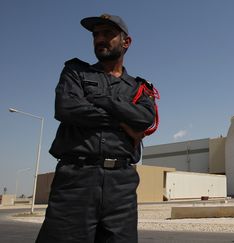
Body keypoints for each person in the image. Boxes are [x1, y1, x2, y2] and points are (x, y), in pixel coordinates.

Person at [36, 14, 156, 243]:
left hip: (121, 185)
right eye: (96, 35)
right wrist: (122, 122)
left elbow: (144, 119)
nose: (100, 39)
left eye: (108, 34)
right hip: (76, 180)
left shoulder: (140, 88)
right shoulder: (76, 72)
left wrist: (99, 99)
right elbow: (67, 108)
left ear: (126, 42)